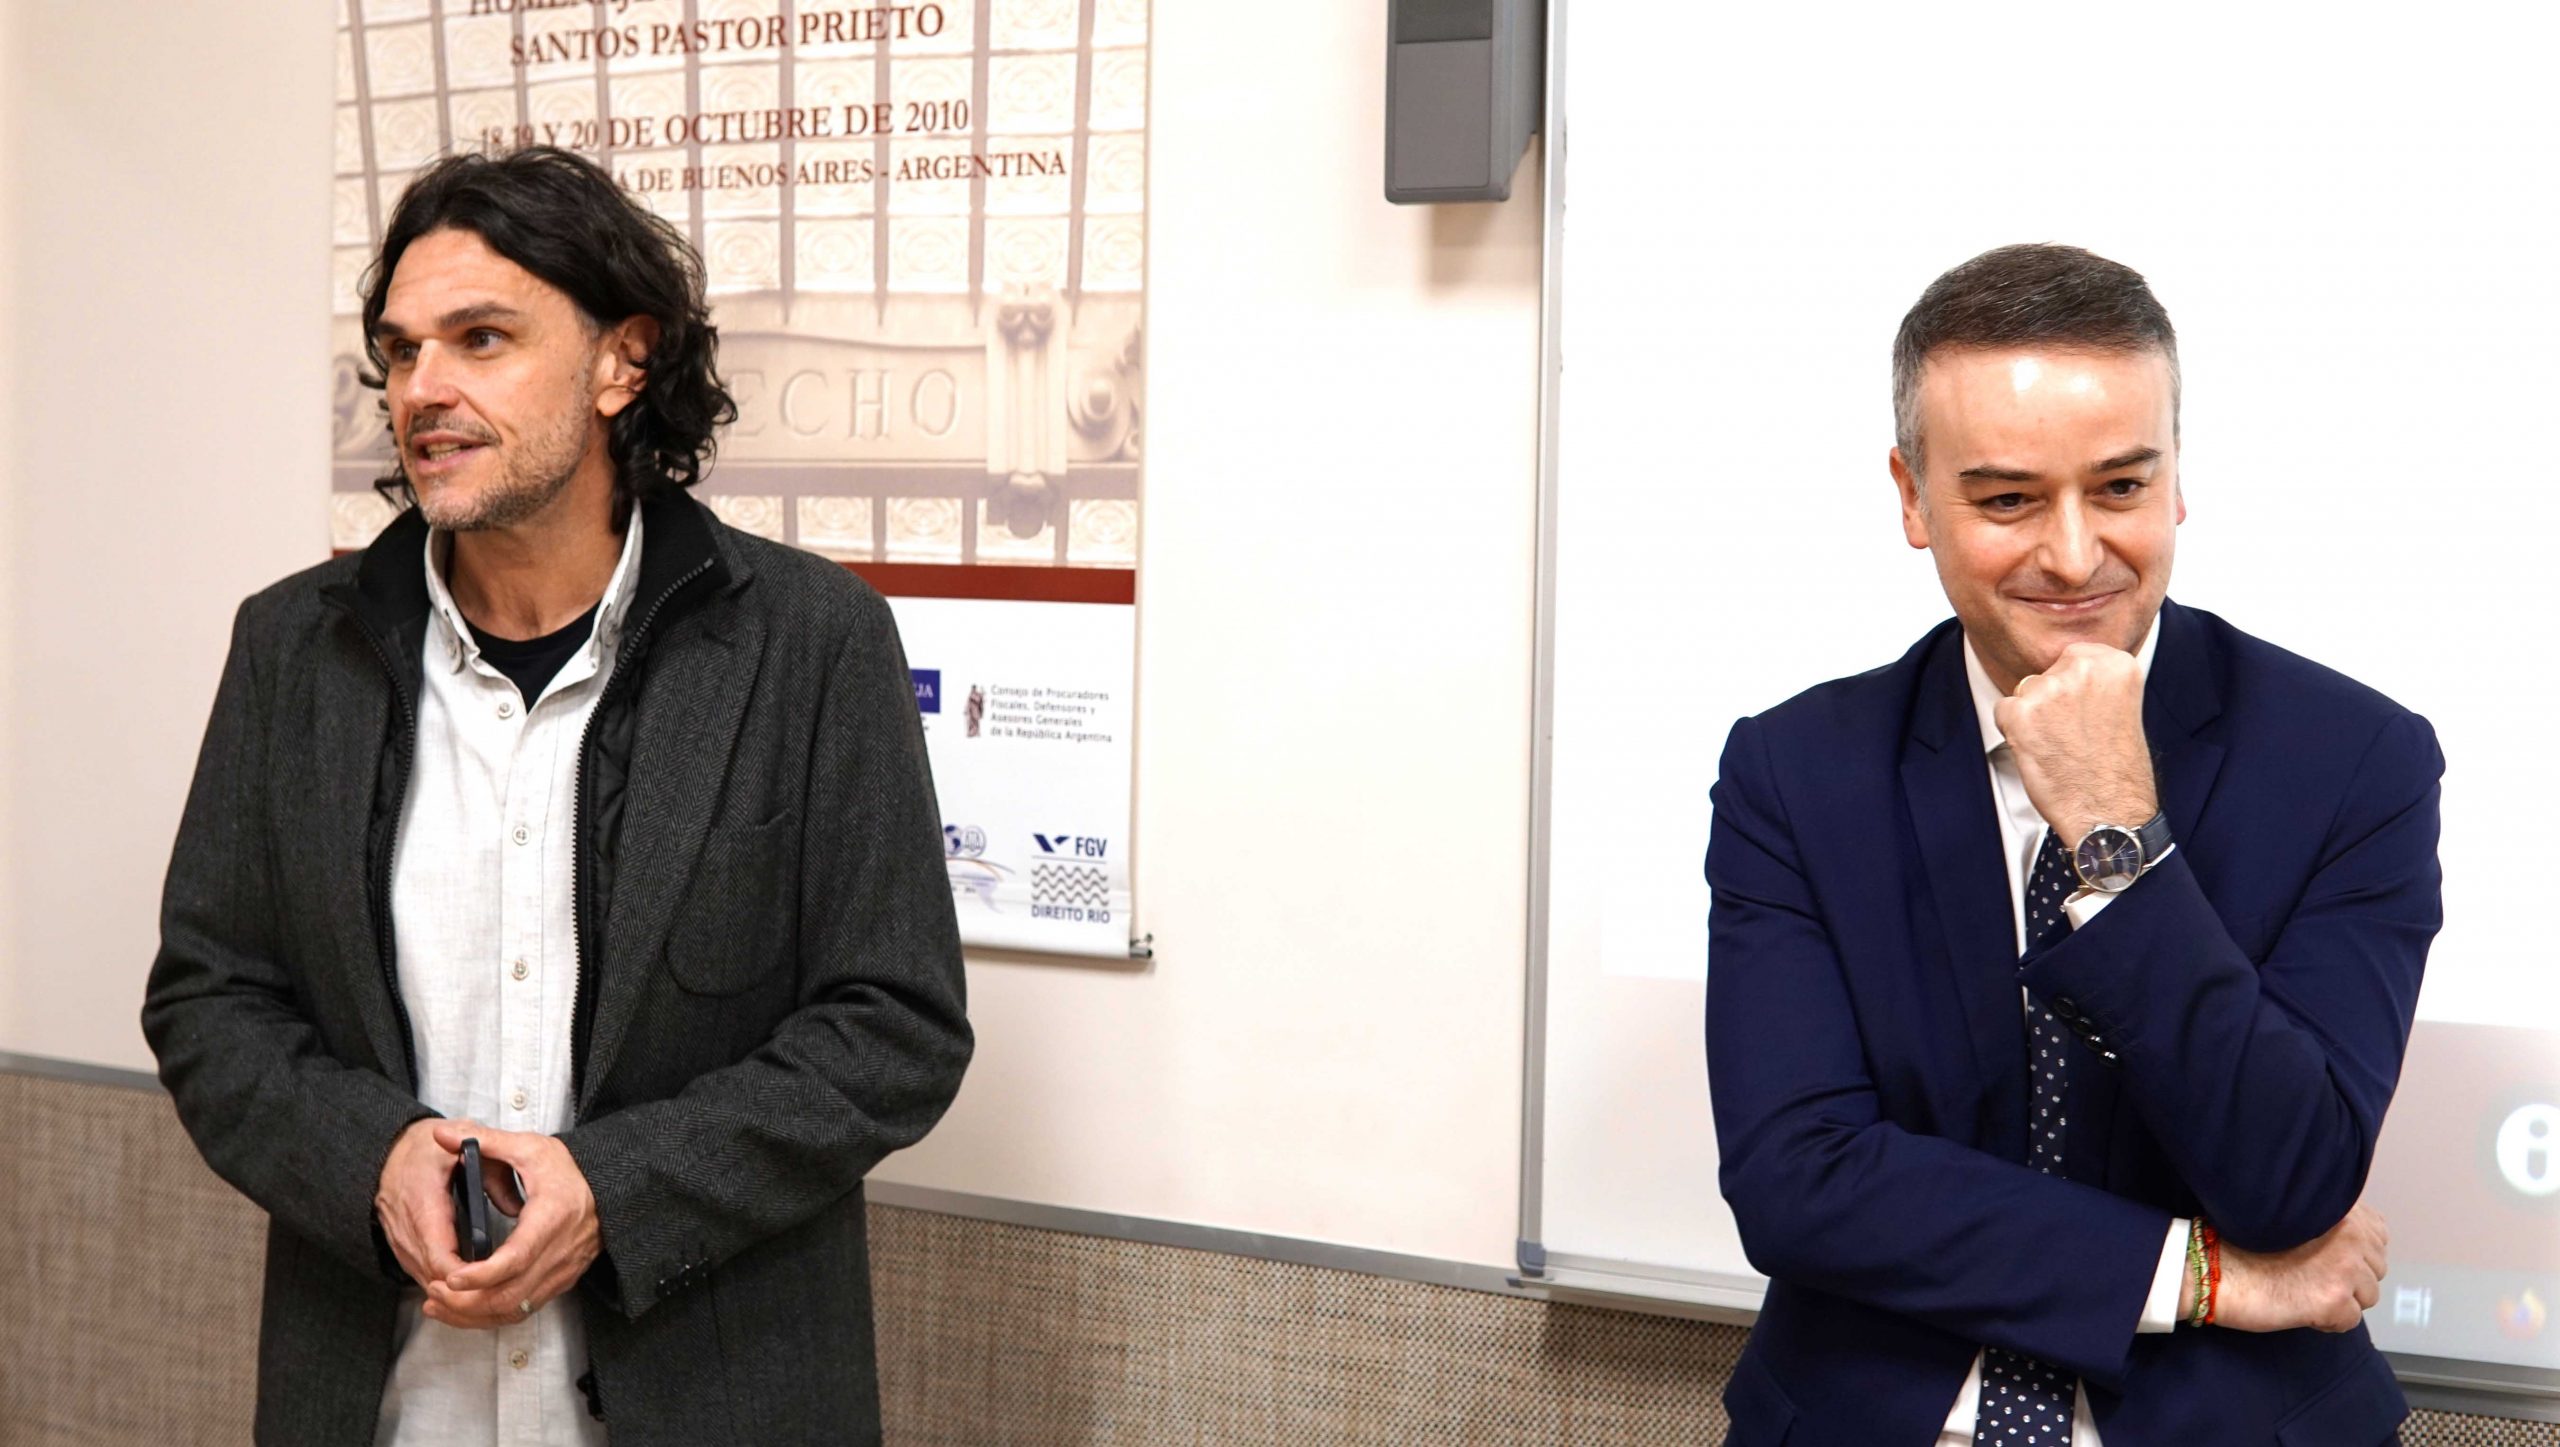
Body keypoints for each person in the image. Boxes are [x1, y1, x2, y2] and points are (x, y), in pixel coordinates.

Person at [142, 146, 972, 1446]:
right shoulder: (293, 649)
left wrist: (617, 1191)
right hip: (386, 1402)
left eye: (481, 338)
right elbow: (209, 998)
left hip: (711, 1397)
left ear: (619, 362)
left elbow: (894, 1025)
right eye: (402, 350)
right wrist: (371, 1159)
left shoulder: (812, 643)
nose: (424, 388)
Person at [1704, 244, 2440, 1446]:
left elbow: (2294, 1178)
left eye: (2118, 487)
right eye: (2006, 500)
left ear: (2175, 478)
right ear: (1910, 496)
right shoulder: (1794, 771)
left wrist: (2117, 834)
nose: (2072, 554)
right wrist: (2195, 1272)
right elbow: (1797, 1180)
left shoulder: (2355, 760)